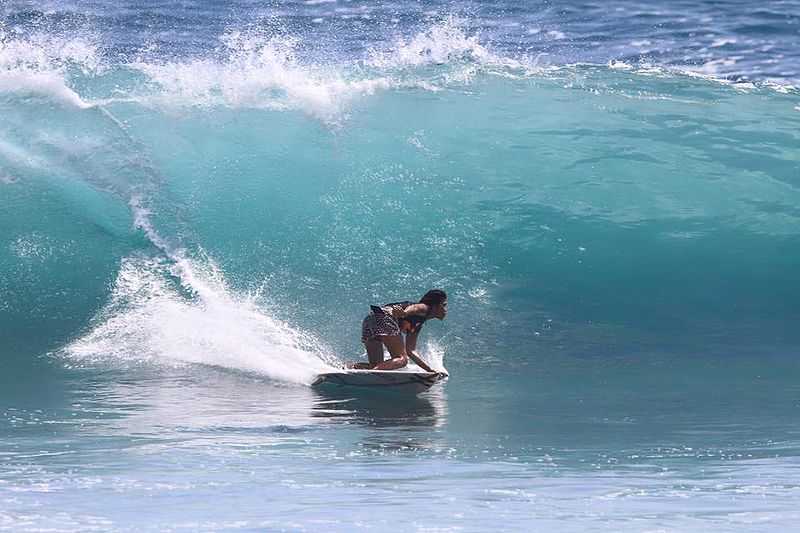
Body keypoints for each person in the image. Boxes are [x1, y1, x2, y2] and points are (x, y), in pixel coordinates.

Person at [352, 289, 447, 372]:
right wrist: (404, 313)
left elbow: (411, 351)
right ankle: (371, 374)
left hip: (371, 317)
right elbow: (414, 308)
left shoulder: (417, 323)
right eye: (443, 305)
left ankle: (348, 367)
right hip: (384, 316)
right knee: (402, 359)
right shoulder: (425, 308)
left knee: (377, 365)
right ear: (435, 306)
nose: (445, 309)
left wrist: (429, 370)